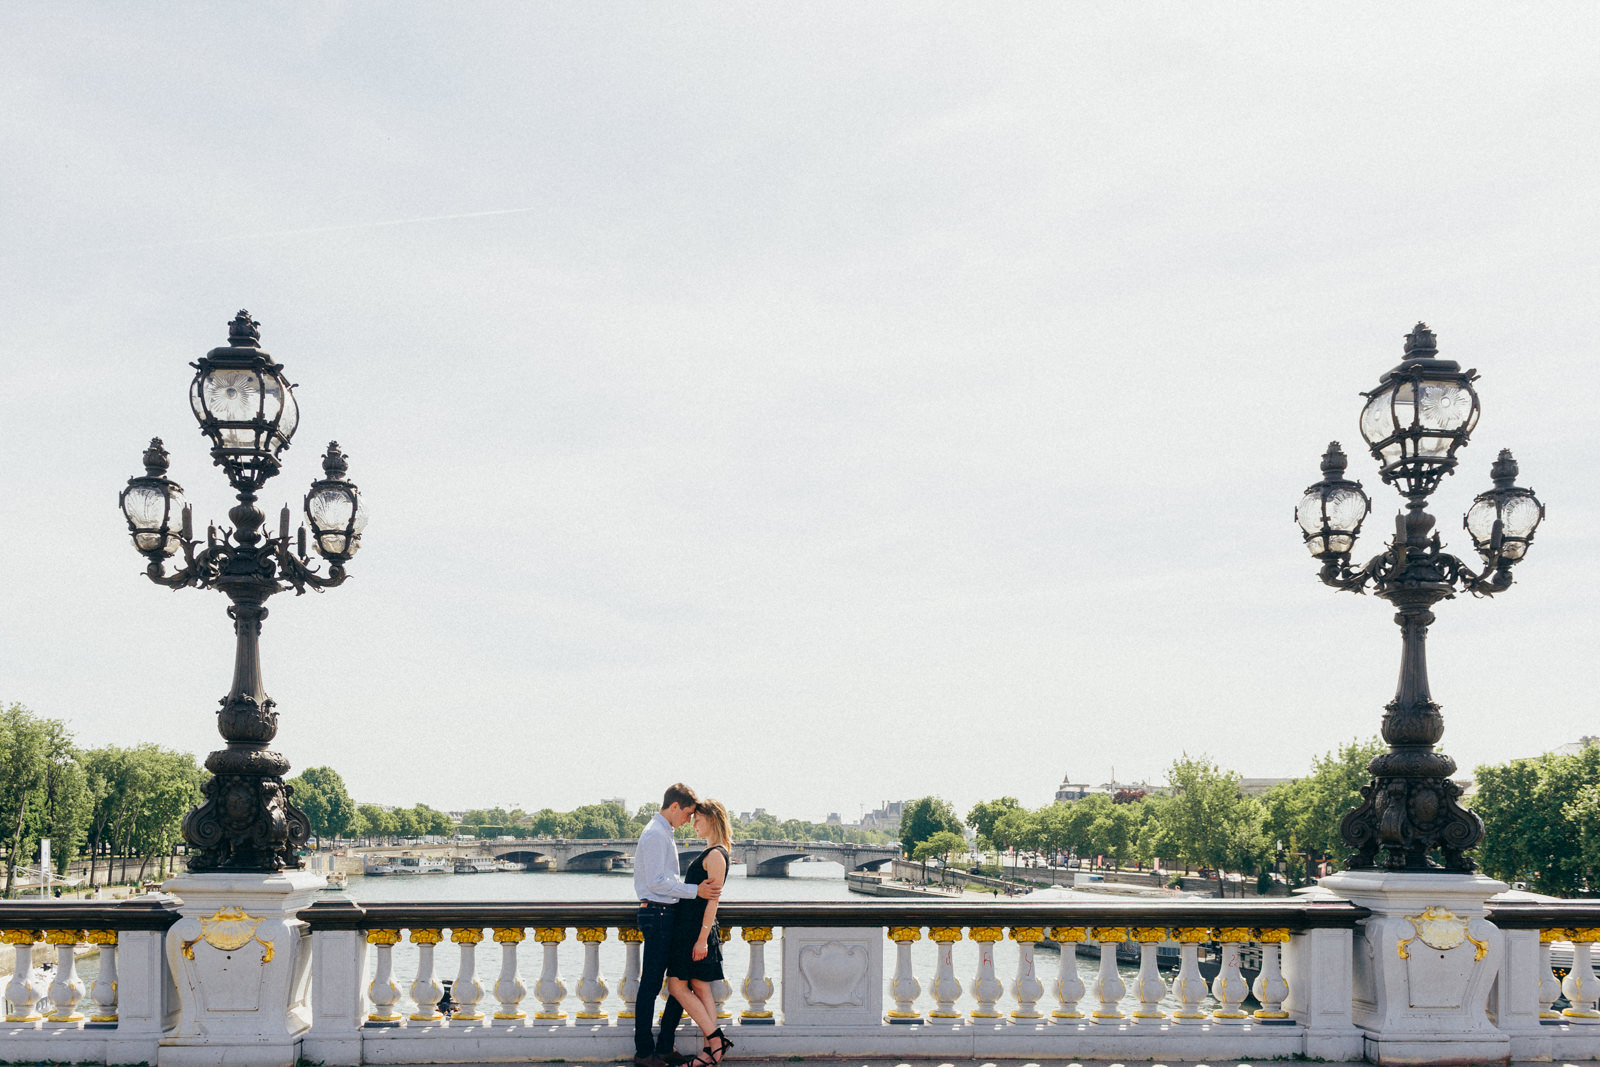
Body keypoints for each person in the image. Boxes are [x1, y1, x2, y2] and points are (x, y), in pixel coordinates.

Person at [633, 784, 719, 1067]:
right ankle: (645, 1053)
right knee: (651, 985)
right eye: (687, 814)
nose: (688, 821)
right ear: (674, 807)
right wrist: (696, 891)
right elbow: (658, 881)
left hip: (664, 914)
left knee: (678, 981)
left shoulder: (661, 832)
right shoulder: (656, 834)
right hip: (657, 914)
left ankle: (665, 1046)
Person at [666, 798, 735, 1067]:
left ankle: (716, 1041)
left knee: (676, 985)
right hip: (692, 928)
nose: (694, 823)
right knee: (700, 986)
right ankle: (711, 1052)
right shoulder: (712, 851)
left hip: (695, 930)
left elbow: (713, 900)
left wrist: (702, 939)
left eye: (698, 819)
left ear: (713, 819)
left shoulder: (716, 854)